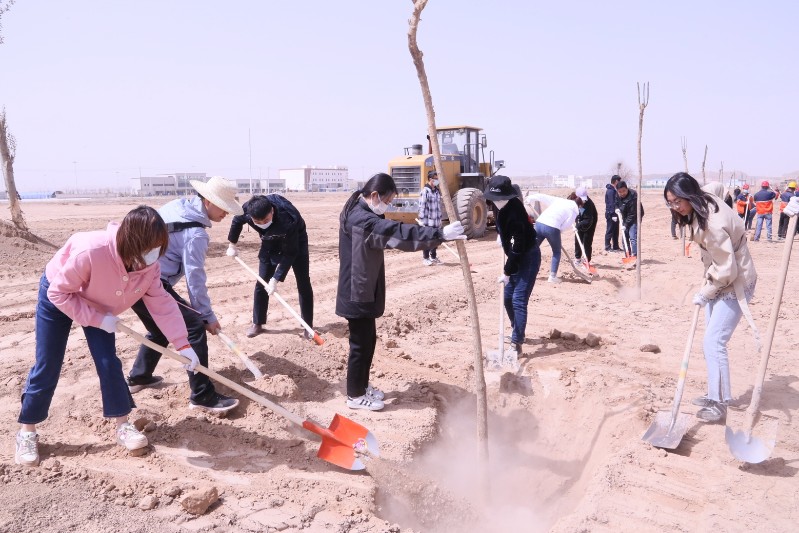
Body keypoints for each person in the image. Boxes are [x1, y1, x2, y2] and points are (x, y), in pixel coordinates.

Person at [15, 206, 199, 467]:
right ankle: (27, 431)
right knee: (48, 363)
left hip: (99, 303)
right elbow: (58, 293)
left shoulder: (149, 266)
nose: (153, 255)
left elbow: (162, 303)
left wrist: (183, 344)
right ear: (131, 241)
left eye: (158, 248)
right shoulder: (92, 251)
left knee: (108, 362)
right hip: (58, 295)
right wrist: (98, 320)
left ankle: (123, 425)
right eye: (149, 248)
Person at [336, 173, 465, 411]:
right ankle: (355, 395)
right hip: (356, 291)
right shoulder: (362, 220)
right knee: (359, 346)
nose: (387, 206)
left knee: (368, 341)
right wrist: (438, 234)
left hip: (363, 287)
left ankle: (362, 386)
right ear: (374, 195)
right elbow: (396, 233)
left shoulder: (359, 208)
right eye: (387, 201)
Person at [127, 176, 243, 414]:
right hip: (151, 283)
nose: (226, 214)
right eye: (224, 207)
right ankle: (202, 395)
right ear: (208, 201)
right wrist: (206, 316)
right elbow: (195, 279)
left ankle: (139, 377)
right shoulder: (196, 234)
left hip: (130, 277)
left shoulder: (176, 206)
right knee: (193, 326)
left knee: (160, 328)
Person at [664, 173, 757, 422]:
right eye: (670, 202)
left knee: (714, 342)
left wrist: (705, 293)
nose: (675, 207)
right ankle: (715, 392)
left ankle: (719, 403)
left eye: (677, 201)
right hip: (718, 276)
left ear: (689, 195)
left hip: (735, 281)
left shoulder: (713, 226)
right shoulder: (705, 194)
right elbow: (719, 186)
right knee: (710, 341)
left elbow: (727, 270)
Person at [226, 194, 314, 338]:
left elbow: (290, 253)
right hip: (268, 239)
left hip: (296, 238)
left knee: (303, 281)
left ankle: (307, 326)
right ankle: (257, 323)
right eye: (257, 222)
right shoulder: (247, 210)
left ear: (272, 211)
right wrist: (232, 245)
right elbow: (237, 221)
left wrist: (276, 279)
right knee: (262, 281)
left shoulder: (288, 219)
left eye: (266, 220)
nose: (262, 223)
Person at [484, 176, 539, 355]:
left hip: (527, 257)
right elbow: (502, 226)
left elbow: (518, 247)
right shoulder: (500, 206)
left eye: (499, 198)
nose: (496, 201)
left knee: (518, 299)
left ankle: (516, 343)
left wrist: (507, 272)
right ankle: (518, 331)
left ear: (507, 196)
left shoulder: (515, 212)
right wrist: (500, 234)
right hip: (515, 256)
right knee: (507, 298)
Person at [524, 191, 580, 283]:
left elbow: (543, 196)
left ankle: (523, 272)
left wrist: (530, 198)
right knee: (556, 252)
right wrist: (558, 231)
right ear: (579, 204)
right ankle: (552, 277)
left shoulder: (560, 200)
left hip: (539, 223)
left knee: (532, 248)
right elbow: (567, 224)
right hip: (552, 227)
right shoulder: (574, 210)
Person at [418, 169, 443, 266]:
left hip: (436, 220)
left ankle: (433, 257)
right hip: (428, 221)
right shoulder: (425, 191)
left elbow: (439, 206)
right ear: (430, 179)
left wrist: (440, 219)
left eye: (437, 179)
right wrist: (421, 219)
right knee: (427, 240)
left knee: (435, 240)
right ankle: (426, 258)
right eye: (435, 179)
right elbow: (422, 206)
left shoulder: (437, 191)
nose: (437, 181)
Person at [615, 181, 644, 256]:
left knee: (632, 237)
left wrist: (626, 225)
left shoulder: (633, 196)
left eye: (624, 191)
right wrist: (616, 208)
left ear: (627, 188)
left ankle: (635, 255)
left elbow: (632, 214)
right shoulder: (617, 194)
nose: (622, 193)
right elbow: (616, 203)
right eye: (620, 192)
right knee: (624, 238)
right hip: (625, 217)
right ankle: (627, 255)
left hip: (635, 218)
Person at [572, 186, 598, 264]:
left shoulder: (589, 204)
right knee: (578, 240)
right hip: (580, 221)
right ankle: (578, 258)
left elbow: (588, 220)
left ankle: (587, 260)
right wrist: (577, 222)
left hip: (590, 223)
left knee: (587, 241)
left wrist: (578, 226)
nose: (583, 201)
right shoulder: (573, 200)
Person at [604, 175, 622, 252]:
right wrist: (613, 214)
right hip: (611, 214)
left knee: (615, 230)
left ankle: (616, 246)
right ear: (616, 181)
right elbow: (611, 203)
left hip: (615, 213)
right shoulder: (610, 191)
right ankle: (607, 246)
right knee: (610, 230)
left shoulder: (614, 190)